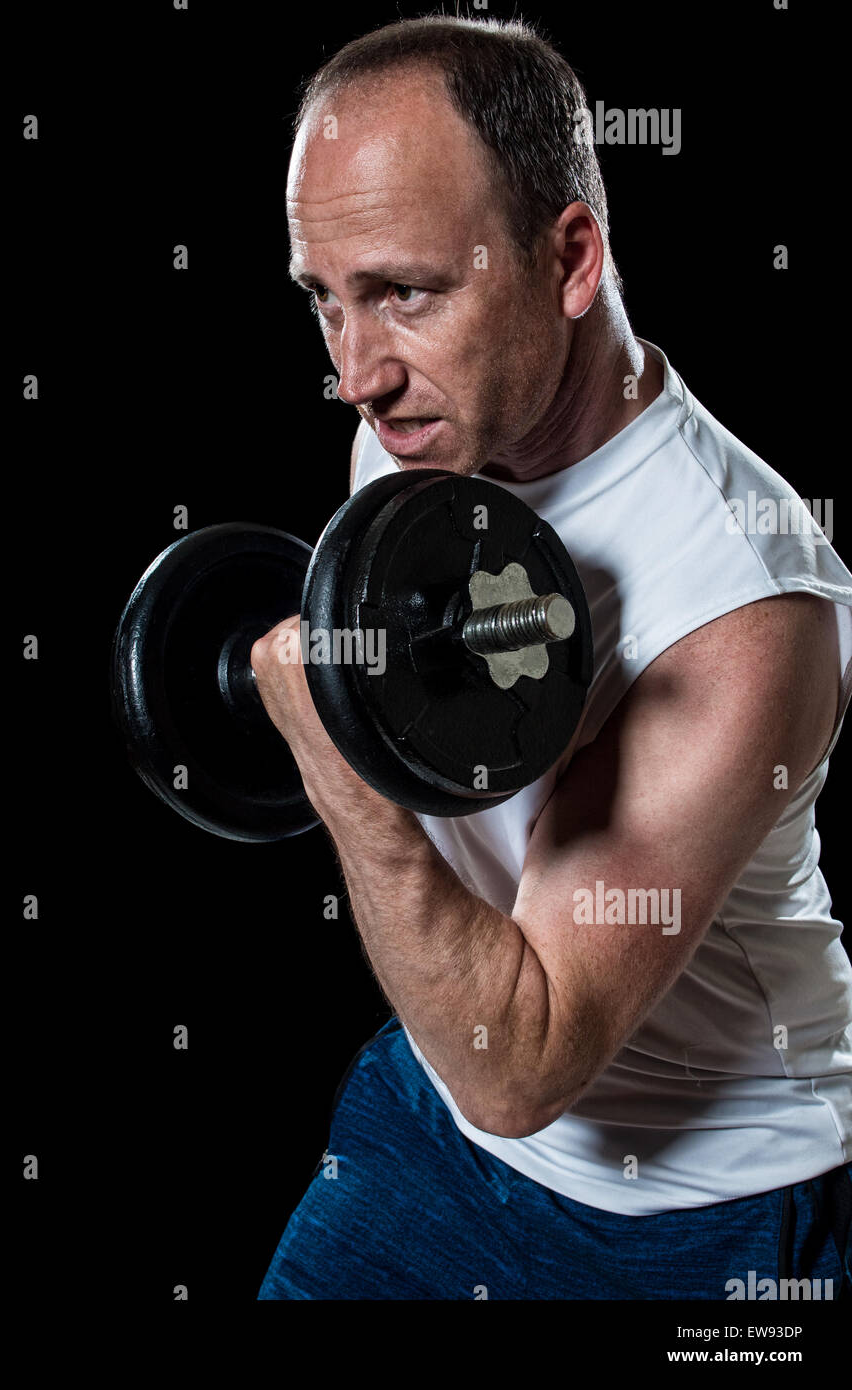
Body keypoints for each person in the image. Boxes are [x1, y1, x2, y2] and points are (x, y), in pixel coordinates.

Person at [250, 17, 852, 1300]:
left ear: (569, 257)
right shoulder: (422, 430)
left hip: (702, 1217)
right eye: (324, 299)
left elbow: (522, 1058)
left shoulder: (737, 598)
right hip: (436, 1123)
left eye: (404, 291)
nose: (353, 374)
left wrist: (338, 769)